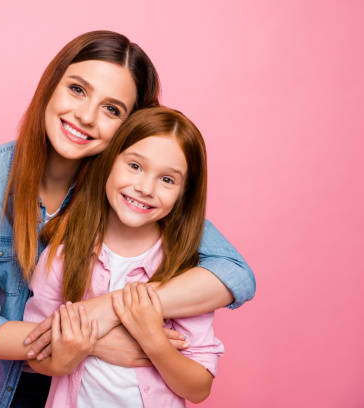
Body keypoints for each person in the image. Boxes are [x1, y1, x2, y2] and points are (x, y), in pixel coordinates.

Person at [0, 30, 255, 408]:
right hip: (18, 384)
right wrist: (94, 341)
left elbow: (236, 274)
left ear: (130, 126)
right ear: (51, 84)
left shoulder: (126, 189)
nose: (86, 116)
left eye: (112, 109)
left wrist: (109, 309)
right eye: (77, 89)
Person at [23, 106, 224, 407]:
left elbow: (198, 389)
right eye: (135, 166)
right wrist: (86, 346)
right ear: (109, 162)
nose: (144, 188)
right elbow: (35, 354)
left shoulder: (186, 273)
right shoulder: (63, 255)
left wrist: (153, 340)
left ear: (185, 193)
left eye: (167, 180)